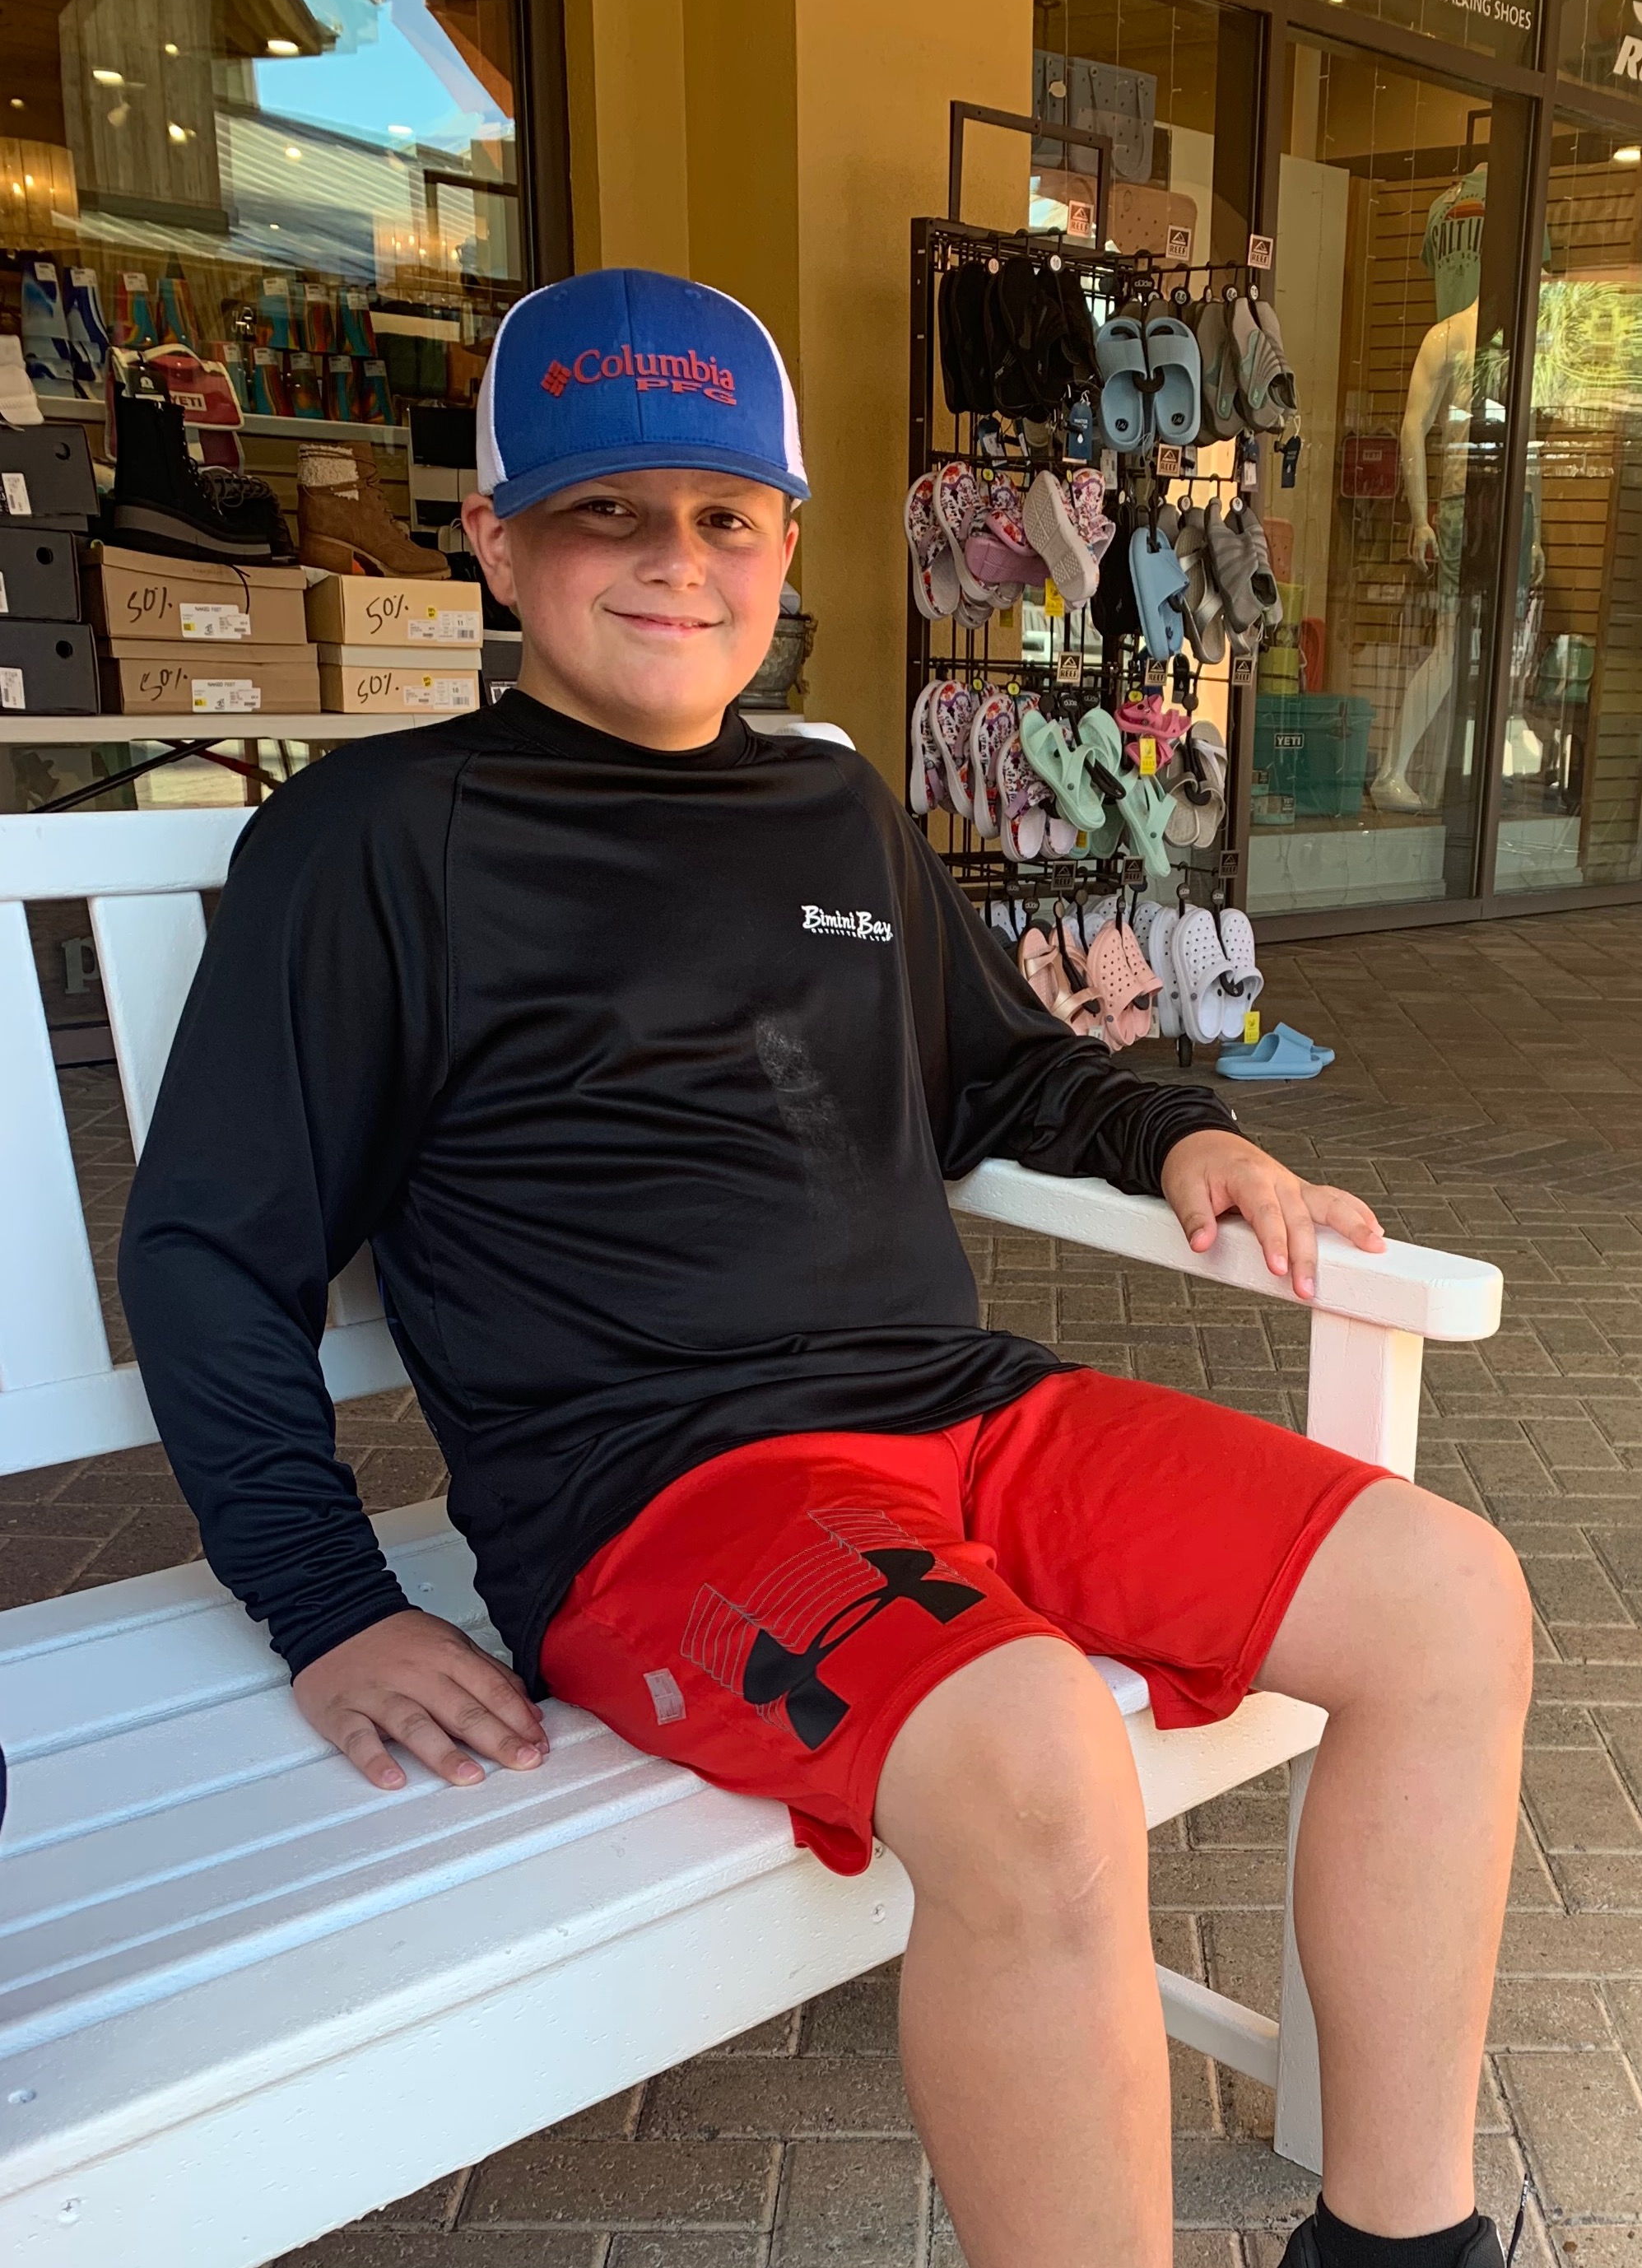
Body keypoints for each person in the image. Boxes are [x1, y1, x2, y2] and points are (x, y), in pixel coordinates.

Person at [119, 268, 1531, 2268]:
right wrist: (327, 1600)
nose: (673, 561)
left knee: (1450, 1598)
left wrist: (1179, 1132)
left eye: (723, 513)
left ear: (783, 541)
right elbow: (207, 1249)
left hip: (959, 1416)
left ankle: (1400, 2245)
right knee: (1034, 1757)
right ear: (497, 541)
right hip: (664, 1492)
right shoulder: (376, 840)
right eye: (606, 512)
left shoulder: (827, 800)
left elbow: (1002, 1068)